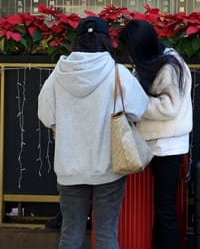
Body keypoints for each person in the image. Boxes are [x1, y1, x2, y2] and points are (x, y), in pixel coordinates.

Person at [38, 16, 149, 249]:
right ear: (107, 41)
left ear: (76, 41)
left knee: (70, 234)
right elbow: (139, 110)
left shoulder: (59, 74)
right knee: (106, 234)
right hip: (109, 166)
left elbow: (46, 114)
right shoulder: (118, 73)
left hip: (69, 166)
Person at [118, 18, 193, 249]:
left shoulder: (169, 67)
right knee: (161, 210)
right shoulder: (153, 61)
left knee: (164, 210)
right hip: (151, 143)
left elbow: (168, 108)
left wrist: (134, 101)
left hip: (168, 146)